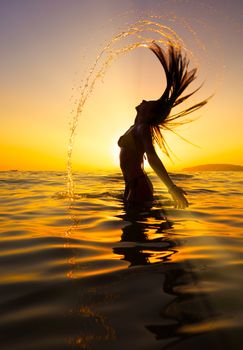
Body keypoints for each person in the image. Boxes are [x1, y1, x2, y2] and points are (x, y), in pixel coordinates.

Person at [118, 42, 208, 209]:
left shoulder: (142, 128)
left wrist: (171, 188)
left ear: (149, 114)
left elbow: (152, 157)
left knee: (136, 233)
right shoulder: (135, 126)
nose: (144, 100)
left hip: (139, 187)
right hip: (133, 186)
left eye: (148, 103)